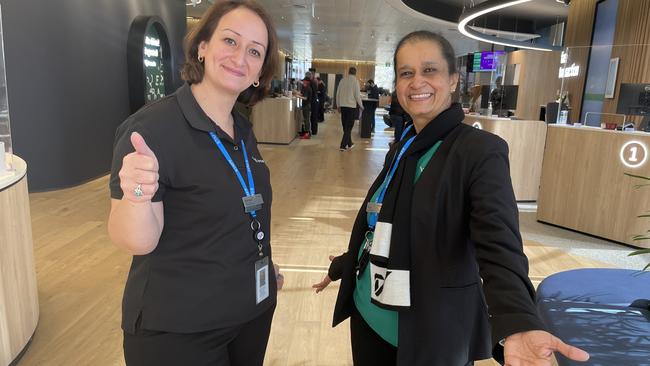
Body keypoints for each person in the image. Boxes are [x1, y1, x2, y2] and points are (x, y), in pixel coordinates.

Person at [313, 31, 590, 366]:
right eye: (406, 73)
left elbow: (499, 244)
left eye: (430, 70)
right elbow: (390, 218)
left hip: (428, 335)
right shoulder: (404, 145)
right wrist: (347, 262)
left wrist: (519, 319)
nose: (417, 82)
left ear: (453, 80)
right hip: (369, 315)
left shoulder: (478, 151)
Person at [108, 2, 281, 365]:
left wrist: (258, 264)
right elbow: (138, 240)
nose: (240, 57)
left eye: (254, 51)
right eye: (230, 41)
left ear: (259, 72)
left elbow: (233, 213)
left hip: (249, 317)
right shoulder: (152, 129)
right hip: (180, 330)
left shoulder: (242, 129)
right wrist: (137, 194)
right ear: (202, 46)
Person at [336, 67, 363, 151]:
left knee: (345, 127)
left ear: (348, 72)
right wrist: (361, 105)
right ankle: (342, 146)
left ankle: (349, 143)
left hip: (343, 107)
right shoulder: (355, 81)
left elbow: (338, 94)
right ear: (355, 73)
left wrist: (338, 105)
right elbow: (357, 95)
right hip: (351, 107)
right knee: (348, 127)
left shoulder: (342, 80)